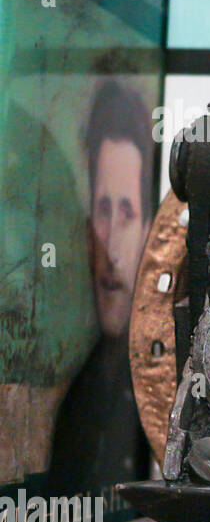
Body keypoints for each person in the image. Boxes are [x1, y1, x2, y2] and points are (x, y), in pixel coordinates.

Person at [49, 80, 155, 498]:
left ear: (151, 226)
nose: (111, 246)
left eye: (127, 214)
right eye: (102, 210)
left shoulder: (167, 383)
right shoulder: (81, 396)